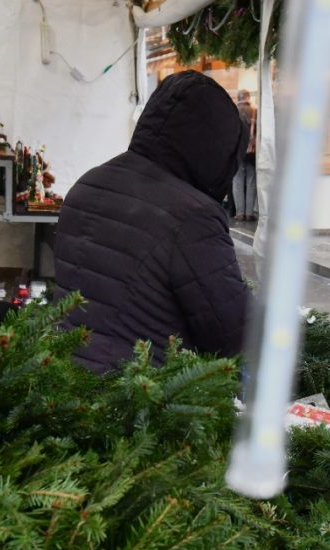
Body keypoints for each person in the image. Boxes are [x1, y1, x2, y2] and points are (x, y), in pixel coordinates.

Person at [51, 70, 250, 373]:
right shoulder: (192, 215)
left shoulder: (88, 183)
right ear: (217, 148)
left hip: (64, 382)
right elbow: (231, 335)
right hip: (142, 398)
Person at [231, 89, 257, 222]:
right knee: (251, 180)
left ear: (239, 97)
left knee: (237, 180)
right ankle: (250, 213)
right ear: (248, 97)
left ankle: (240, 213)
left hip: (238, 150)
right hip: (252, 150)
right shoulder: (255, 111)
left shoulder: (233, 110)